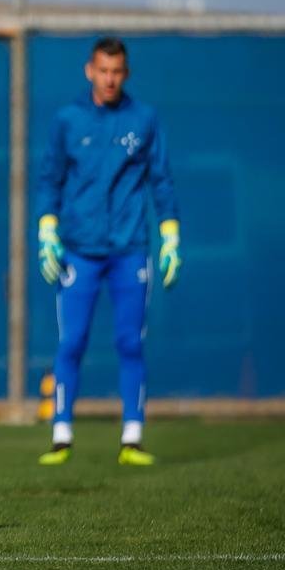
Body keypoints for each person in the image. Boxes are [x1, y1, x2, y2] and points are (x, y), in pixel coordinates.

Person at [34, 37, 180, 467]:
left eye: (117, 72)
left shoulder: (144, 119)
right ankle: (61, 436)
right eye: (103, 70)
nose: (110, 79)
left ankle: (132, 437)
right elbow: (50, 178)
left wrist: (170, 235)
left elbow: (161, 179)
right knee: (71, 341)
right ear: (89, 71)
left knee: (130, 342)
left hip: (130, 250)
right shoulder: (68, 120)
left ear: (126, 73)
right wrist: (47, 230)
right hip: (78, 251)